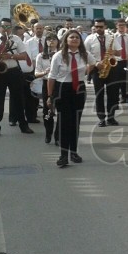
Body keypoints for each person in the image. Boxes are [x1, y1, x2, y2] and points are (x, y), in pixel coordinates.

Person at [0, 18, 35, 137]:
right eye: (3, 26)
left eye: (8, 26)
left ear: (11, 27)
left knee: (18, 100)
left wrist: (10, 56)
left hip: (13, 72)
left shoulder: (16, 39)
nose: (6, 29)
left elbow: (24, 56)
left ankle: (23, 125)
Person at [46, 30, 90, 167]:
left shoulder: (84, 54)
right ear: (66, 40)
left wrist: (93, 68)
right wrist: (50, 96)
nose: (75, 39)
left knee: (75, 122)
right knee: (65, 122)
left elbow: (95, 63)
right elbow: (52, 77)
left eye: (77, 37)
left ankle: (74, 152)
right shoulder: (59, 56)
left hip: (79, 89)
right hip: (62, 89)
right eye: (72, 37)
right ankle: (63, 155)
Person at [86, 18, 120, 127]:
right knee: (99, 94)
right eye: (97, 27)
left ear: (105, 27)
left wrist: (112, 51)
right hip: (97, 68)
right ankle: (101, 118)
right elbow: (85, 54)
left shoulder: (112, 37)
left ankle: (111, 117)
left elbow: (119, 52)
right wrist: (96, 64)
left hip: (111, 67)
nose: (98, 29)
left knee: (113, 94)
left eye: (101, 26)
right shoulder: (89, 39)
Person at [35, 34, 60, 144]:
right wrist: (45, 72)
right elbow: (36, 73)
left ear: (58, 42)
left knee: (61, 110)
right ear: (46, 42)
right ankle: (48, 132)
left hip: (60, 83)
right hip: (47, 83)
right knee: (47, 110)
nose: (51, 41)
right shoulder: (41, 56)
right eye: (49, 40)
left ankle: (58, 135)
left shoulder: (62, 55)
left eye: (54, 39)